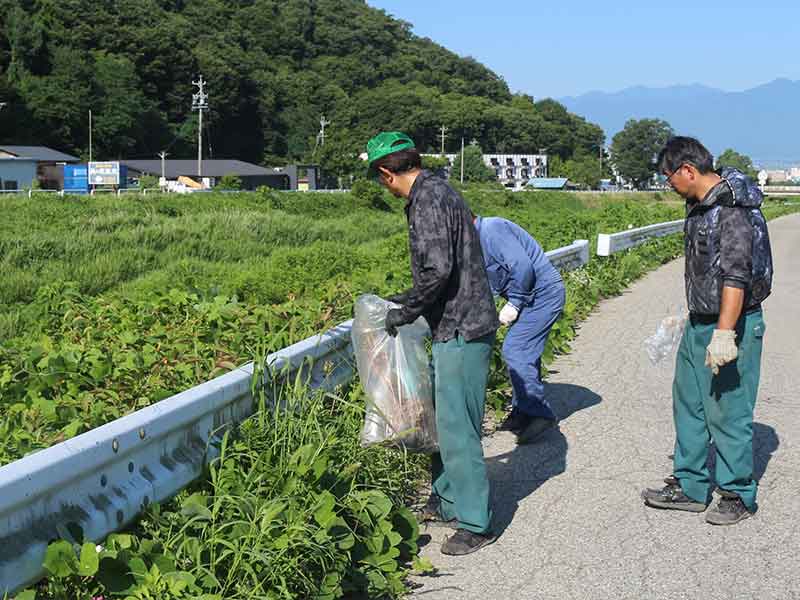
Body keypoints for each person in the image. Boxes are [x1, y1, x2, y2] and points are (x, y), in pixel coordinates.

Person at [366, 131, 500, 555]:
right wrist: (406, 302)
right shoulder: (440, 189)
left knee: (457, 429)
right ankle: (445, 501)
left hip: (461, 327)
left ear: (386, 173)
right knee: (444, 422)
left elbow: (438, 270)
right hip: (460, 322)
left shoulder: (426, 200)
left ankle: (476, 521)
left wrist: (404, 312)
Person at [641, 136, 773, 525]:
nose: (669, 185)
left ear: (688, 170)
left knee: (728, 410)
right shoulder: (700, 206)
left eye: (669, 177)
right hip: (702, 320)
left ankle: (737, 493)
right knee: (690, 405)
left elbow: (736, 276)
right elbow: (707, 269)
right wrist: (691, 311)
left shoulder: (732, 209)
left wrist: (724, 333)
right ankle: (691, 485)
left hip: (732, 323)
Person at [473, 214, 566, 443]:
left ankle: (539, 413)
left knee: (516, 349)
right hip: (530, 297)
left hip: (543, 296)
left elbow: (522, 267)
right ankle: (522, 410)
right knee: (525, 352)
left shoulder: (491, 229)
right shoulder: (475, 241)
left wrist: (514, 303)